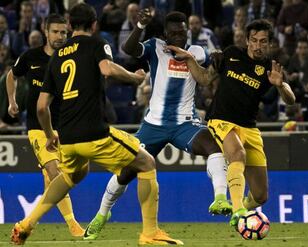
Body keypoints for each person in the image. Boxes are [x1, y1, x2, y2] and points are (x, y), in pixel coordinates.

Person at [10, 3, 183, 246]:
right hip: (94, 132)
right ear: (94, 25)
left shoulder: (57, 57)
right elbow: (107, 69)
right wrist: (134, 78)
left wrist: (50, 135)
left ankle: (25, 225)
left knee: (73, 174)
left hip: (67, 139)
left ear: (69, 26)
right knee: (146, 163)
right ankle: (150, 233)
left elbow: (40, 107)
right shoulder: (96, 43)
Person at [84, 9, 231, 240]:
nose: (179, 38)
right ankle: (102, 214)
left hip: (186, 123)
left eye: (182, 33)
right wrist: (140, 26)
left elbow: (207, 75)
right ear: (165, 35)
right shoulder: (155, 47)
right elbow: (129, 49)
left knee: (214, 147)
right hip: (154, 125)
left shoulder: (196, 52)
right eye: (174, 34)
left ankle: (221, 198)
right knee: (126, 173)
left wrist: (218, 61)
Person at [166, 19, 296, 228]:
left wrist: (281, 86)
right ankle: (238, 211)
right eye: (253, 40)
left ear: (270, 44)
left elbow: (291, 100)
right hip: (222, 120)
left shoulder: (270, 69)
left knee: (261, 195)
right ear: (247, 40)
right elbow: (205, 79)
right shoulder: (231, 54)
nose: (258, 46)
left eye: (263, 42)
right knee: (237, 154)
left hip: (249, 128)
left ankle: (243, 205)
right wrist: (190, 59)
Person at [6, 13, 84, 237]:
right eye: (56, 32)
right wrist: (12, 102)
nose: (60, 36)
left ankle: (28, 223)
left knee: (54, 179)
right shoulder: (31, 57)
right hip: (38, 127)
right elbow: (12, 75)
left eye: (64, 33)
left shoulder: (70, 60)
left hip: (65, 127)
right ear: (45, 31)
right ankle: (73, 226)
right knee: (56, 172)